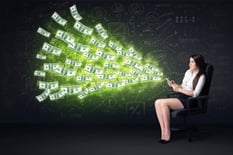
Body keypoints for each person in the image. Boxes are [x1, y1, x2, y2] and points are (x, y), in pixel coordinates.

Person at [154, 54, 206, 144]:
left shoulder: (202, 77)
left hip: (190, 101)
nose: (190, 64)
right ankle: (163, 131)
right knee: (157, 102)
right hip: (182, 98)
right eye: (190, 61)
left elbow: (195, 94)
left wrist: (179, 90)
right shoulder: (188, 72)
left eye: (192, 62)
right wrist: (175, 85)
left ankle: (167, 133)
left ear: (198, 63)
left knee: (163, 103)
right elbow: (183, 86)